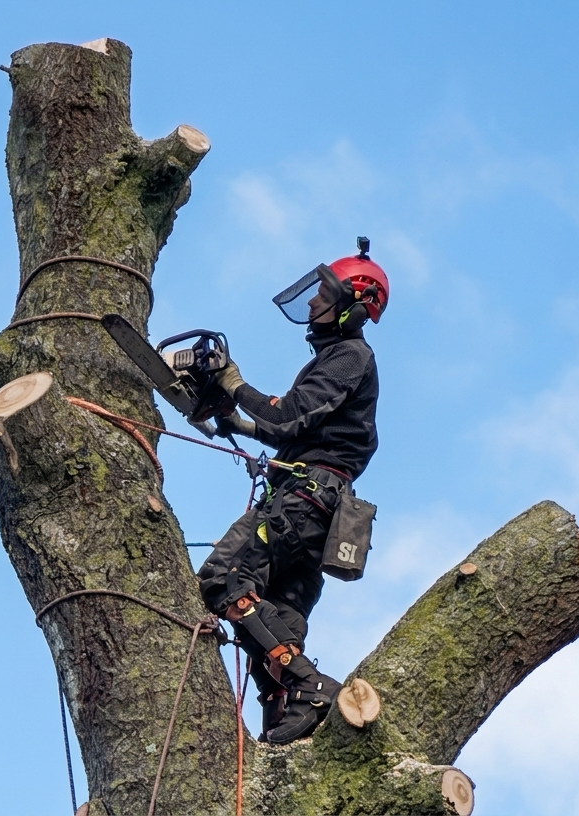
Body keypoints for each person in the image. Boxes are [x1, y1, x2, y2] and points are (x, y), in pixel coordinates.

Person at [196, 239, 389, 745]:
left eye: (322, 294)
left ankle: (309, 684)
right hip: (317, 507)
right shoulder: (341, 361)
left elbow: (285, 416)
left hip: (304, 500)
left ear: (349, 307)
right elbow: (292, 430)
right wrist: (236, 420)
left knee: (223, 577)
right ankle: (290, 719)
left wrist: (234, 385)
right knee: (277, 613)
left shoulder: (350, 355)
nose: (310, 303)